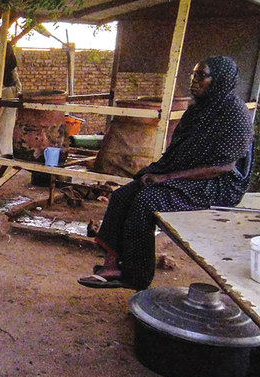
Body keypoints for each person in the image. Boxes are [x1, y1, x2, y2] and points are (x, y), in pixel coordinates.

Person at [78, 56, 254, 290]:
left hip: (220, 183)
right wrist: (158, 172)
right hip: (188, 174)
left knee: (147, 200)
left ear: (220, 80)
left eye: (201, 76)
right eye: (193, 75)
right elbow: (179, 150)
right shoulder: (198, 109)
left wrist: (165, 177)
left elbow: (223, 167)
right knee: (124, 195)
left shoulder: (234, 113)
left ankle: (136, 275)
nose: (193, 81)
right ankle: (111, 264)